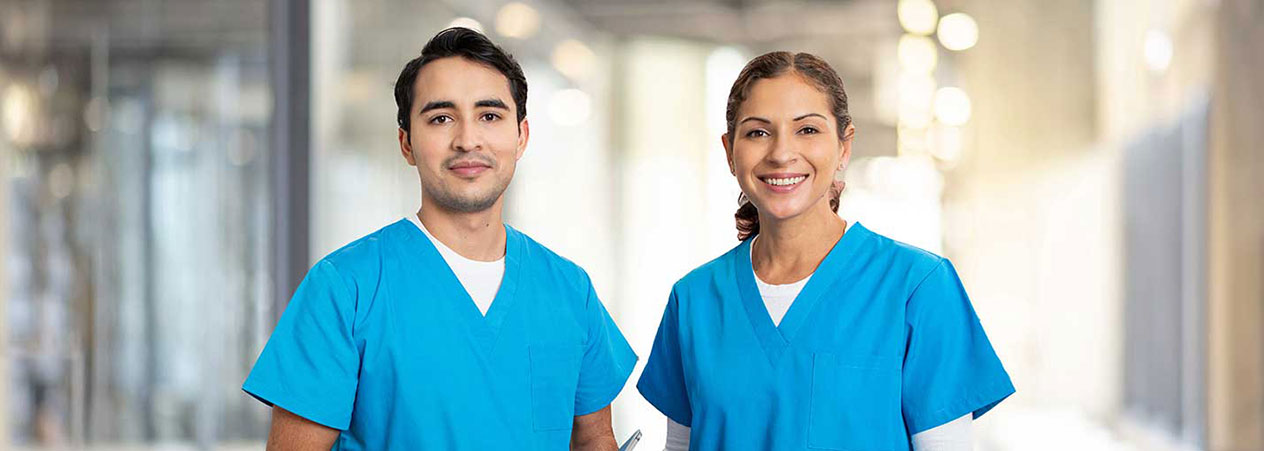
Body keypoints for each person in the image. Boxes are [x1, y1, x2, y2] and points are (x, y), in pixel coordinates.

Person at [242, 27, 636, 450]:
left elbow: (595, 439)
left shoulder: (568, 290)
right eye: (441, 118)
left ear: (521, 136)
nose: (467, 140)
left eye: (490, 116)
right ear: (406, 143)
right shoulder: (344, 288)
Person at [636, 51, 1014, 450]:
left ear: (844, 146)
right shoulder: (693, 299)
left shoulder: (916, 287)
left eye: (808, 130)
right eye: (758, 133)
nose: (782, 153)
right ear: (730, 152)